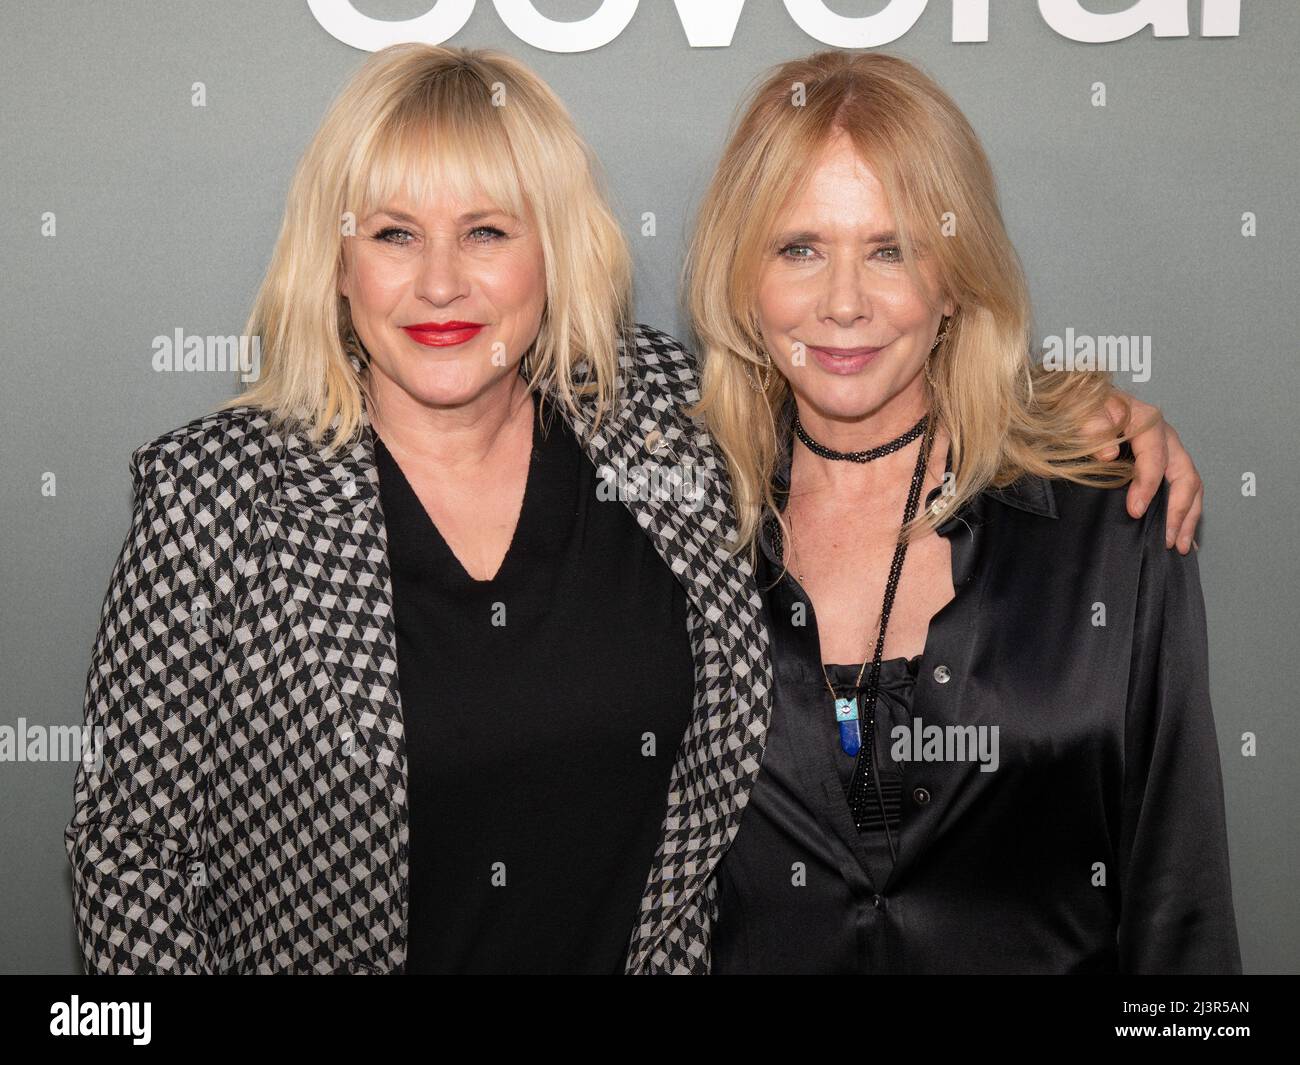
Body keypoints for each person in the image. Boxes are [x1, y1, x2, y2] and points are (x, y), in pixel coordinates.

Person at [64, 44, 1204, 975]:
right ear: (336, 263)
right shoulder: (216, 497)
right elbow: (127, 855)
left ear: (554, 255)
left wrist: (1067, 407)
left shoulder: (658, 423)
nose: (443, 283)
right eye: (394, 233)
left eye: (491, 231)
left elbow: (855, 369)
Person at [688, 51, 1240, 973]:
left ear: (954, 278)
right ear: (743, 278)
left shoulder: (1110, 515)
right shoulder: (675, 525)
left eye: (891, 249)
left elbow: (1180, 902)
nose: (844, 303)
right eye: (799, 249)